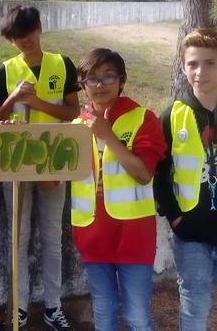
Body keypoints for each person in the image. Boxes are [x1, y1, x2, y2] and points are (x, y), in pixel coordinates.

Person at [0, 5, 80, 331]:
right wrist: (13, 98)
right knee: (18, 238)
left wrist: (38, 102)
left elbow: (72, 112)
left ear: (39, 28)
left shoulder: (61, 64)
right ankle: (19, 311)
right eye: (15, 37)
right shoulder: (6, 70)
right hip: (15, 164)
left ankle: (54, 308)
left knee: (52, 237)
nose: (22, 41)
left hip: (54, 163)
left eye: (26, 33)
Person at [70, 48, 166, 331]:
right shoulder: (76, 127)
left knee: (137, 317)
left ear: (122, 80)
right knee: (103, 312)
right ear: (83, 84)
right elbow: (52, 177)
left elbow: (143, 173)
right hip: (92, 235)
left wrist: (107, 135)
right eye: (91, 78)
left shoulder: (142, 118)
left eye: (108, 76)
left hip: (133, 237)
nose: (100, 85)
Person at [153, 27, 217, 331]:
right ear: (183, 67)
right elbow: (160, 174)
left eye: (210, 63)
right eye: (192, 63)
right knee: (196, 304)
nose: (200, 71)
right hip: (190, 234)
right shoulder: (172, 116)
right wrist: (175, 218)